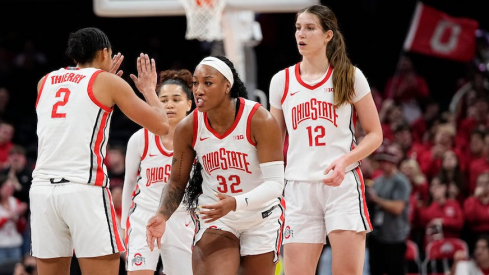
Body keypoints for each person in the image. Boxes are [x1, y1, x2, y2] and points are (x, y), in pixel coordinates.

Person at [30, 27, 169, 275]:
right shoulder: (106, 82)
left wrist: (105, 83)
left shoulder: (45, 81)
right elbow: (161, 125)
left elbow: (75, 107)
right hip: (83, 188)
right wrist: (148, 90)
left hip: (42, 192)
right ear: (105, 53)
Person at [268, 4, 383, 275]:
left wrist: (346, 160)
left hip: (341, 186)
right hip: (297, 188)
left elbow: (375, 134)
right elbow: (273, 143)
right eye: (298, 28)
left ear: (328, 35)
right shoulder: (281, 81)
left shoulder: (351, 76)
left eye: (310, 28)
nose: (301, 34)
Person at [146, 55, 285, 275]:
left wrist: (235, 202)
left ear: (227, 86)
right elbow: (176, 181)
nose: (199, 90)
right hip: (217, 217)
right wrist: (162, 215)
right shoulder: (188, 127)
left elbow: (276, 184)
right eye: (195, 83)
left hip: (261, 217)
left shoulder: (259, 119)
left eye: (207, 83)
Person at [121, 69, 194, 275]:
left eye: (176, 99)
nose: (169, 105)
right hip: (144, 216)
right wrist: (124, 224)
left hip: (182, 218)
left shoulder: (198, 139)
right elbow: (128, 183)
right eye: (163, 100)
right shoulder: (139, 138)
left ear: (189, 105)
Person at [367, 143, 411, 275]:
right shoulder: (378, 181)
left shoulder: (401, 182)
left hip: (395, 238)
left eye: (384, 161)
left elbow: (398, 208)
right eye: (380, 160)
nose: (381, 164)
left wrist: (376, 200)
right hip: (377, 236)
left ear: (392, 162)